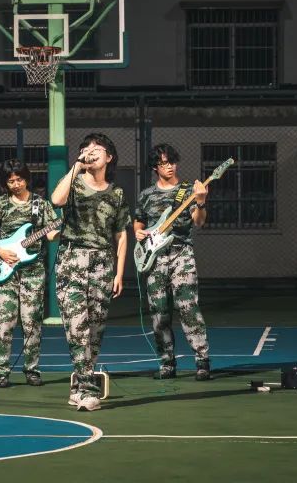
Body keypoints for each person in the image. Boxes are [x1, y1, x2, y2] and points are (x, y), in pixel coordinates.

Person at [50, 133, 131, 411]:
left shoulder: (117, 193)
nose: (91, 151)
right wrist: (76, 166)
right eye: (86, 148)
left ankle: (78, 388)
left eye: (98, 148)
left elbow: (121, 235)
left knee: (95, 331)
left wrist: (119, 273)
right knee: (77, 327)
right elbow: (56, 200)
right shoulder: (73, 183)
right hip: (72, 259)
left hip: (103, 263)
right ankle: (86, 389)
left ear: (109, 157)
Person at [133, 144, 212, 381]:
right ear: (155, 167)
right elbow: (139, 221)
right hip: (155, 257)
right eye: (164, 163)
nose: (170, 167)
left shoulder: (188, 190)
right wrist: (138, 232)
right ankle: (166, 362)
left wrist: (200, 201)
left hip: (181, 254)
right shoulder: (146, 195)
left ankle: (202, 361)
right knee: (159, 312)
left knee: (188, 307)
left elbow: (199, 222)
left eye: (172, 162)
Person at [0, 159, 60, 388]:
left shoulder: (40, 204)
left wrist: (63, 229)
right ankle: (0, 372)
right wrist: (1, 253)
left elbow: (50, 235)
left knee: (31, 322)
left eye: (19, 179)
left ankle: (32, 370)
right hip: (5, 270)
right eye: (11, 181)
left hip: (33, 271)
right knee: (4, 323)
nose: (16, 184)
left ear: (27, 178)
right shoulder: (0, 204)